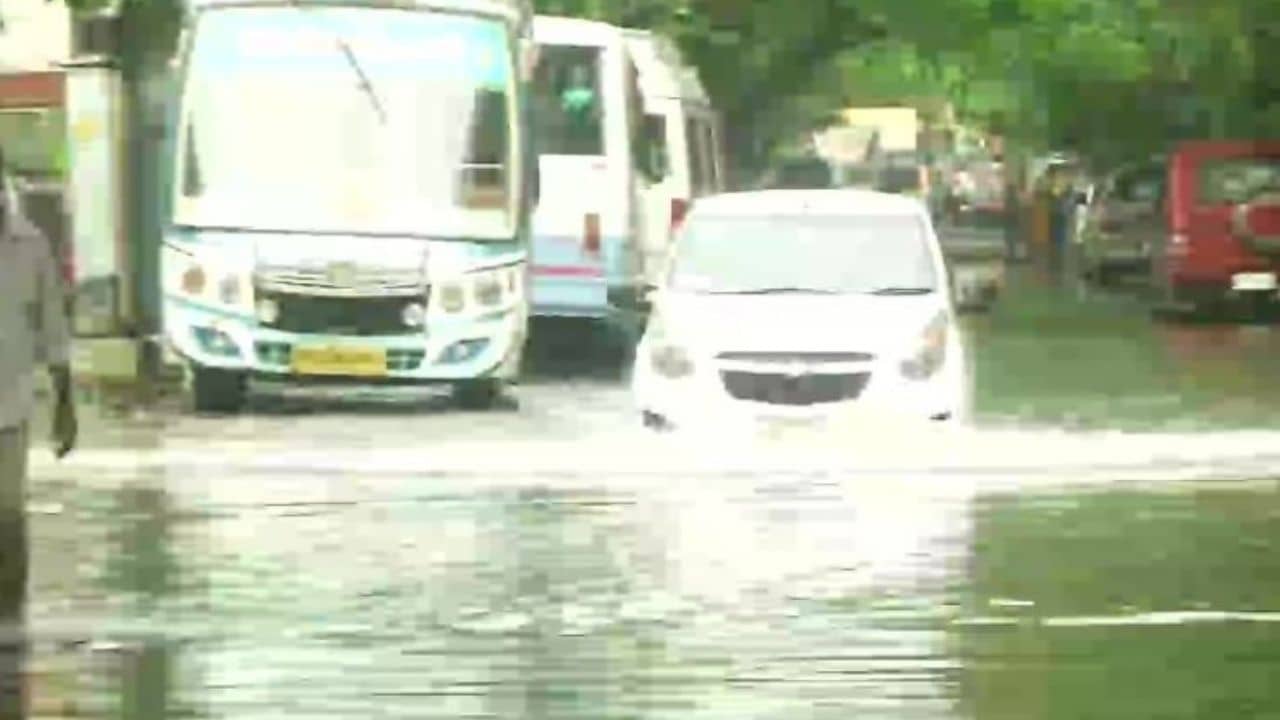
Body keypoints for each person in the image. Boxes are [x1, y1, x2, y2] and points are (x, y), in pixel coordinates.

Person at [1, 145, 78, 718]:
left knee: (9, 518)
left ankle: (11, 624)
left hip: (9, 407)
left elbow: (53, 327)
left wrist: (66, 404)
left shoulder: (29, 246)